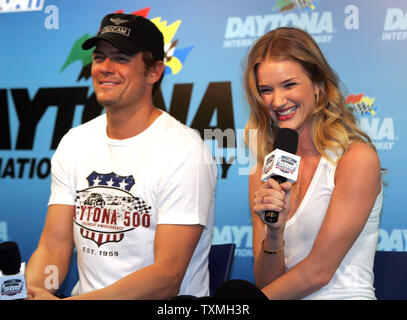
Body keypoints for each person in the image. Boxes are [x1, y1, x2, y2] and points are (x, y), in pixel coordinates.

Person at [25, 13, 217, 300]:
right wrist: (35, 291)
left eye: (121, 58)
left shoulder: (185, 151)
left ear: (153, 72)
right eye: (100, 57)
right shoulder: (74, 142)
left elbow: (167, 277)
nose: (105, 68)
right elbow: (54, 246)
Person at [245, 27, 382, 299]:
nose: (277, 101)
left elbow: (319, 271)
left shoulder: (355, 159)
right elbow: (265, 281)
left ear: (317, 84)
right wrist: (275, 232)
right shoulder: (263, 171)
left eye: (289, 85)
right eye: (266, 90)